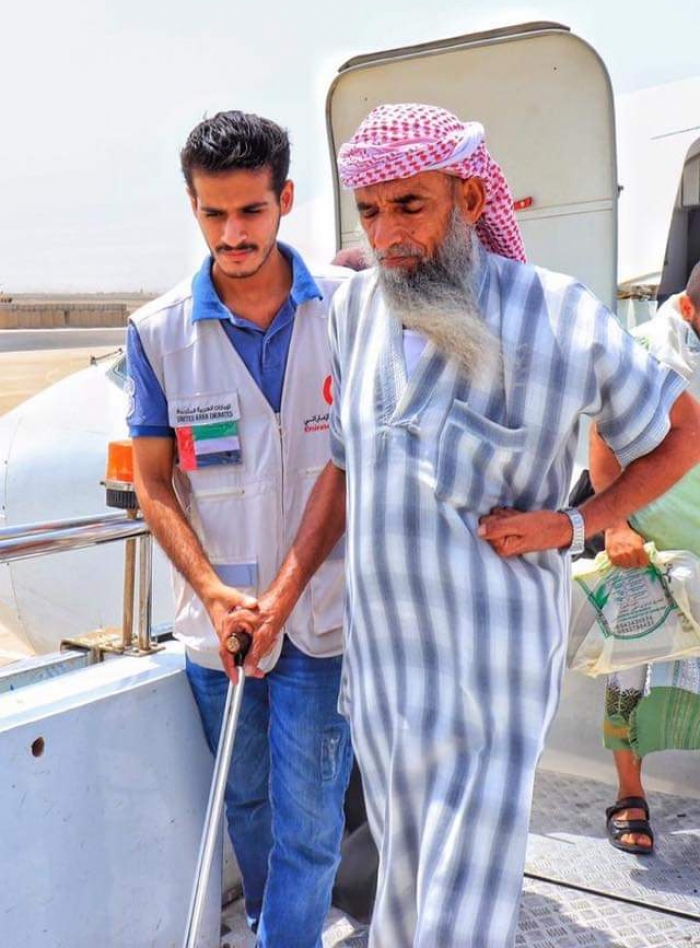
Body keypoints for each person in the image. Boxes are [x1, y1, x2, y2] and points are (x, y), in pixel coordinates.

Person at [230, 104, 700, 948]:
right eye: (371, 211)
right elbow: (343, 467)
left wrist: (575, 523)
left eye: (410, 205)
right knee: (405, 896)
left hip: (492, 674)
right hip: (385, 674)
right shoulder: (356, 311)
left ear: (471, 200)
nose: (389, 234)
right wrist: (282, 597)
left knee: (459, 918)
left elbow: (681, 433)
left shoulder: (559, 313)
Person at [125, 110, 353, 948]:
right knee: (247, 801)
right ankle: (270, 926)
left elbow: (349, 469)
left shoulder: (352, 312)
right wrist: (216, 593)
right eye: (213, 213)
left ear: (285, 199)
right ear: (192, 207)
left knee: (309, 819)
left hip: (320, 617)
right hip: (217, 626)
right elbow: (154, 483)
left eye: (251, 211)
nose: (233, 234)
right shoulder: (157, 333)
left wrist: (283, 597)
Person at [590, 260, 700, 855]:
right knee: (629, 670)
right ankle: (629, 794)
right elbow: (603, 438)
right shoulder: (642, 351)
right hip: (649, 546)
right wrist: (616, 526)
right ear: (689, 308)